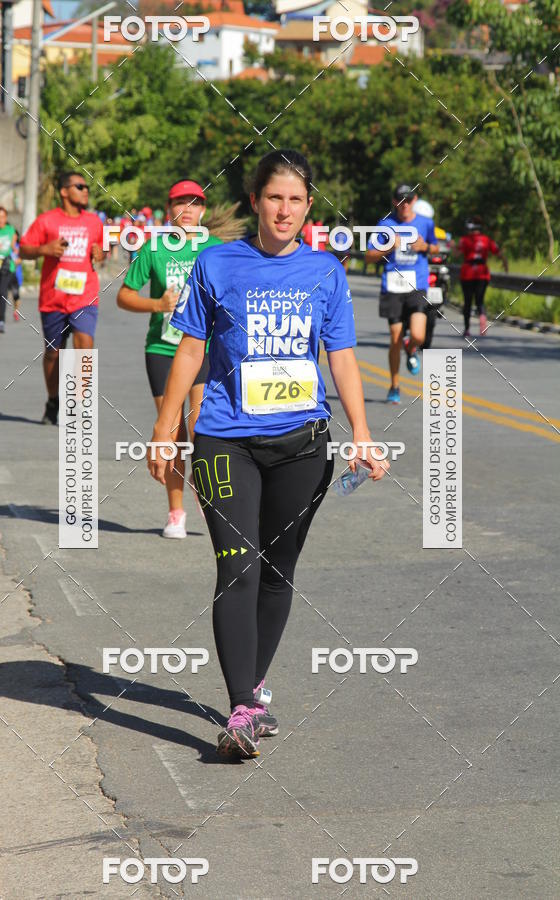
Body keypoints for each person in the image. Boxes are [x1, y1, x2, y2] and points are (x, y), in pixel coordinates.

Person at [147, 149, 388, 759]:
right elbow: (191, 351)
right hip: (226, 440)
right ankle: (242, 708)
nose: (284, 210)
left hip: (302, 445)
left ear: (309, 208)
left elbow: (340, 358)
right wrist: (165, 425)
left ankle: (251, 686)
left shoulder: (325, 272)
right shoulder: (216, 262)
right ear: (255, 201)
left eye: (296, 200)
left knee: (278, 570)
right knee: (238, 566)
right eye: (274, 197)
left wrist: (361, 430)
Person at [117, 180, 222, 539]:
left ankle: (208, 495)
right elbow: (125, 296)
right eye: (181, 203)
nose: (188, 210)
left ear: (203, 211)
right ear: (169, 209)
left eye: (195, 204)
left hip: (205, 350)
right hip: (163, 349)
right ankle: (176, 512)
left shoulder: (216, 250)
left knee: (205, 429)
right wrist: (156, 304)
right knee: (173, 433)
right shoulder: (154, 248)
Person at [20, 172, 104, 425]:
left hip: (84, 296)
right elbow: (24, 249)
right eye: (80, 186)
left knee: (85, 344)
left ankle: (79, 404)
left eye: (87, 187)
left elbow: (99, 251)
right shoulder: (46, 221)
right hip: (53, 298)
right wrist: (44, 249)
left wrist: (100, 254)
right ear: (65, 191)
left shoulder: (93, 223)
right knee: (53, 353)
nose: (86, 190)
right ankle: (53, 400)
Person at [365, 183, 438, 404]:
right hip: (393, 286)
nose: (404, 205)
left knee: (419, 335)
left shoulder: (425, 223)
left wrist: (424, 246)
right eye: (400, 200)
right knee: (395, 338)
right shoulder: (385, 225)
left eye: (408, 200)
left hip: (417, 285)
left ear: (414, 200)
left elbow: (436, 248)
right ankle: (395, 386)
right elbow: (369, 256)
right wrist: (388, 247)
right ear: (394, 202)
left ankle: (412, 346)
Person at [458, 216, 508, 338]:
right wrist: (505, 264)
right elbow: (499, 253)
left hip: (468, 272)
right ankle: (482, 320)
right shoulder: (487, 240)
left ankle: (467, 329)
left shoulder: (464, 240)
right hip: (482, 273)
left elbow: (457, 253)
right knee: (480, 300)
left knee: (468, 301)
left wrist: (452, 246)